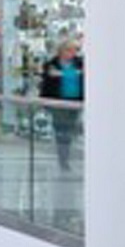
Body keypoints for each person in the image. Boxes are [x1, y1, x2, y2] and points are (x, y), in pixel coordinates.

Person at [39, 40, 84, 171]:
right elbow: (46, 85)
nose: (72, 53)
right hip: (58, 103)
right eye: (69, 50)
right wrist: (44, 102)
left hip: (76, 102)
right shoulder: (51, 65)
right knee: (62, 131)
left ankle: (66, 155)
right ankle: (63, 159)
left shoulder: (80, 63)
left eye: (74, 50)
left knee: (70, 129)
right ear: (61, 51)